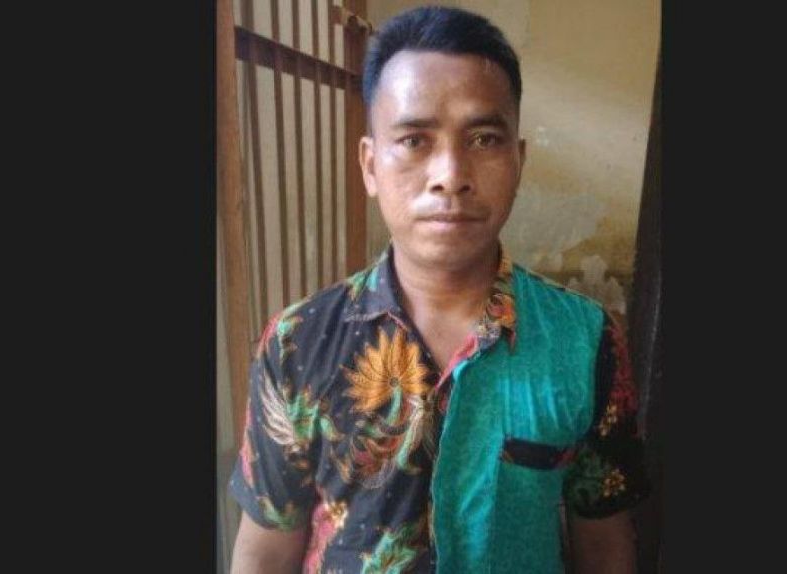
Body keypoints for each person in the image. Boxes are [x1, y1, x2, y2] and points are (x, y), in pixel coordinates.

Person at [229, 6, 649, 573]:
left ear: (518, 160)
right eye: (414, 140)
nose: (450, 174)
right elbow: (265, 549)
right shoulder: (296, 344)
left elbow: (603, 543)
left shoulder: (586, 341)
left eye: (483, 138)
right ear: (370, 165)